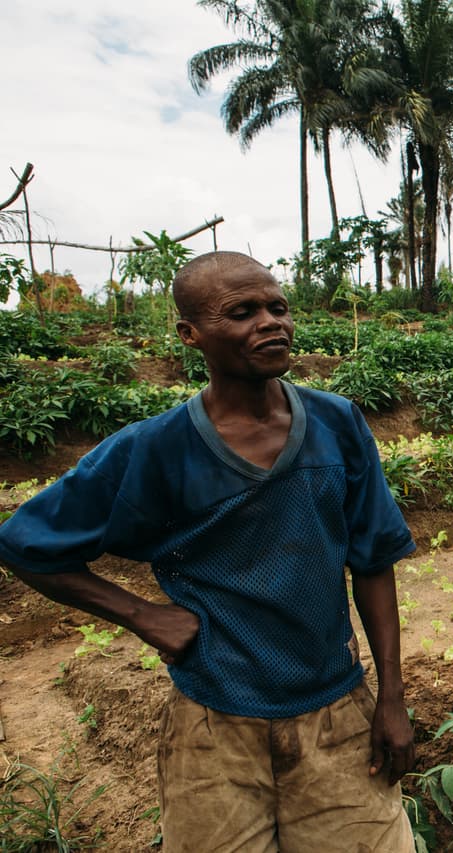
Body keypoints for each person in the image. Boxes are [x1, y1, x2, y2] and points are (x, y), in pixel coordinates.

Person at [0, 251, 418, 852]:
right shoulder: (155, 449)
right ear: (190, 334)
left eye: (277, 307)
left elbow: (373, 561)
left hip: (336, 711)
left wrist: (392, 698)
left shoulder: (337, 424)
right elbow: (24, 543)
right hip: (214, 726)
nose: (270, 322)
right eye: (242, 313)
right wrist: (142, 615)